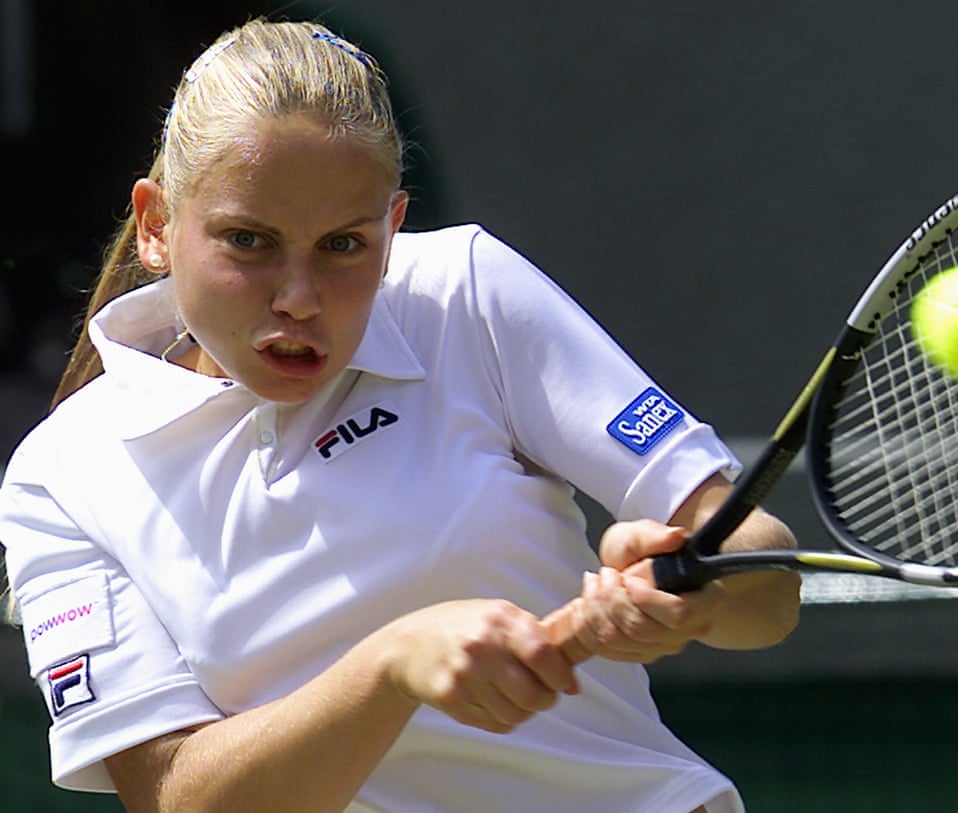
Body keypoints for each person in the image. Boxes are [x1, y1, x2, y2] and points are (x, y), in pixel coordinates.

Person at [0, 18, 799, 813]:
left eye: (344, 245)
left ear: (393, 226)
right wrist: (393, 663)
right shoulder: (60, 473)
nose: (299, 297)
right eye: (249, 241)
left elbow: (766, 582)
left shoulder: (465, 291)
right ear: (156, 227)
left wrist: (698, 580)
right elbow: (179, 799)